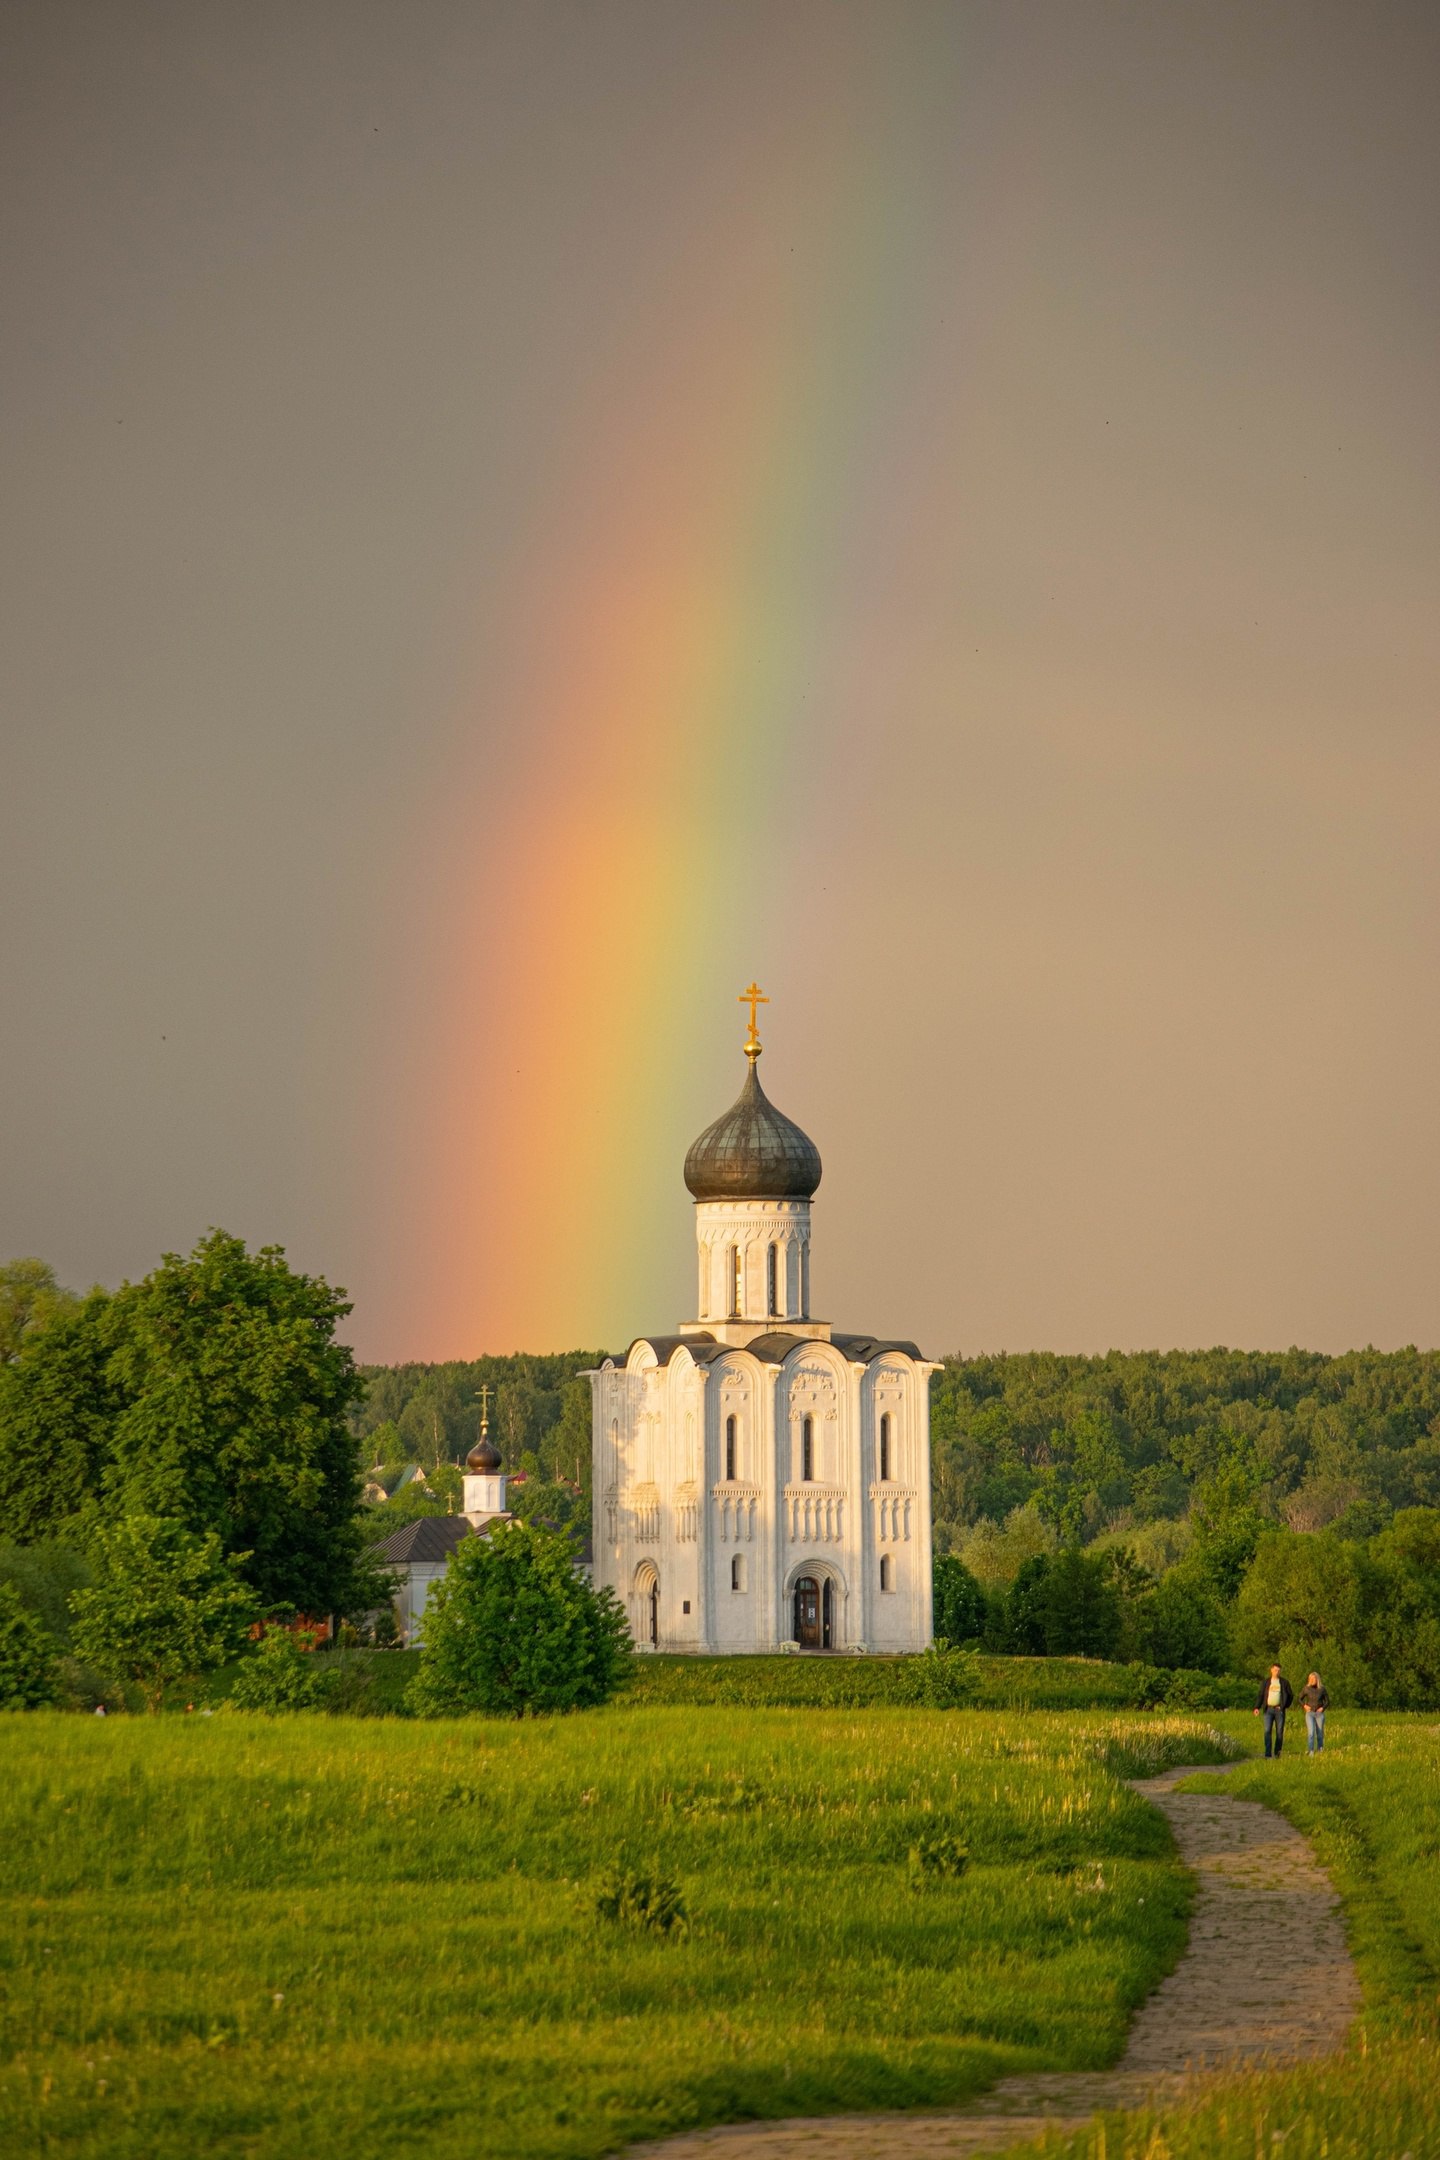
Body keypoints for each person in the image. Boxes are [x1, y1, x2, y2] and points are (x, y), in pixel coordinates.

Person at [1253, 1663, 1293, 1757]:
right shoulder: (1266, 1682)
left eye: (1279, 1670)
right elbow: (1261, 1695)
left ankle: (1277, 1752)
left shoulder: (1284, 1682)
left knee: (1279, 1731)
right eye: (1275, 1670)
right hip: (1268, 1709)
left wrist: (1284, 1706)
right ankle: (1267, 1753)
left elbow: (1290, 1695)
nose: (1277, 1672)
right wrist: (1257, 1707)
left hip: (1279, 1710)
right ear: (1271, 1670)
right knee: (1267, 1731)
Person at [1299, 1671, 1328, 1754]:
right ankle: (1311, 1751)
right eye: (1310, 1679)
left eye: (1313, 1678)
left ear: (1317, 1679)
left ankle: (1320, 1750)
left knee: (1320, 1734)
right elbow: (1299, 1698)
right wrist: (1304, 1706)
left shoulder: (1322, 1689)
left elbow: (1327, 1701)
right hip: (1310, 1713)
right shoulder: (1306, 1688)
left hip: (1319, 1714)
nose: (1312, 1680)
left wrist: (1323, 1708)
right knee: (1311, 1733)